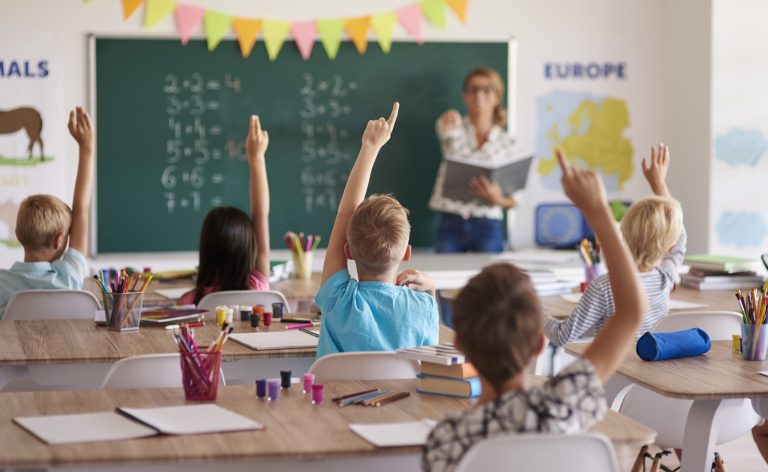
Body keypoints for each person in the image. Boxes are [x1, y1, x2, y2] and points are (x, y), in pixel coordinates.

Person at [422, 149, 648, 472]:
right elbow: (631, 311)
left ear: (460, 346)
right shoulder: (563, 405)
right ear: (540, 343)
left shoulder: (448, 440)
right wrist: (598, 212)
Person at [315, 102, 439, 357]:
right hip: (402, 398)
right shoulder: (423, 307)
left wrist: (369, 148)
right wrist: (431, 289)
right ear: (406, 253)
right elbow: (429, 362)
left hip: (334, 397)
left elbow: (345, 214)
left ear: (347, 251)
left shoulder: (339, 301)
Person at [544, 143, 686, 346]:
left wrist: (539, 316)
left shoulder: (604, 287)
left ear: (624, 234)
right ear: (669, 247)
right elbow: (680, 239)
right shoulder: (666, 278)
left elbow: (562, 336)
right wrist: (659, 184)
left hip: (613, 372)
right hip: (647, 372)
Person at [0, 107, 94, 319]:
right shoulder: (68, 277)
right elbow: (82, 209)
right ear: (60, 239)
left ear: (17, 232)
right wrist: (86, 146)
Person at [179, 115, 271, 305]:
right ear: (249, 250)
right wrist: (257, 158)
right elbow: (260, 215)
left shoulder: (190, 303)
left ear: (205, 250)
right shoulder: (258, 287)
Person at [428, 67, 518, 253]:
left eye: (487, 89)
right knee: (445, 279)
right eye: (473, 89)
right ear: (464, 96)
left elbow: (514, 199)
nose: (479, 95)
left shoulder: (507, 142)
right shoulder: (453, 127)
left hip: (487, 223)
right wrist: (450, 115)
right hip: (450, 220)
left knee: (490, 280)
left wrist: (497, 198)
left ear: (497, 97)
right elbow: (442, 127)